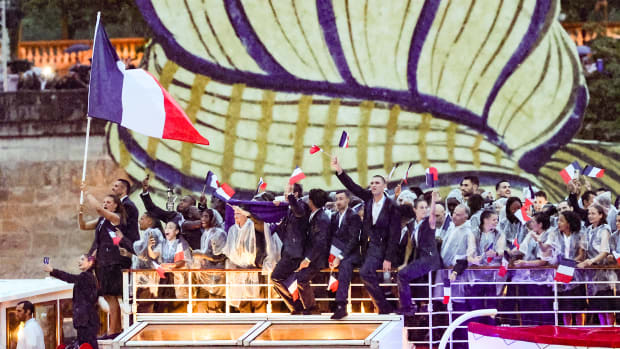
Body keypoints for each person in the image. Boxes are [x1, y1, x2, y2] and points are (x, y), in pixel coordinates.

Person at [331, 156, 401, 314]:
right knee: (346, 263)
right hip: (363, 247)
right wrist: (339, 170)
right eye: (372, 183)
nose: (374, 185)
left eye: (377, 183)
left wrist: (388, 258)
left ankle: (384, 307)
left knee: (365, 272)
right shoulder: (368, 198)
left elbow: (395, 234)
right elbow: (353, 187)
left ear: (384, 186)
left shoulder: (392, 206)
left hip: (380, 249)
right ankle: (341, 306)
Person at [79, 183, 125, 335]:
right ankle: (114, 329)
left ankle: (113, 330)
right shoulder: (100, 221)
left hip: (111, 262)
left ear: (116, 207)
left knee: (112, 297)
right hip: (102, 262)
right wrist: (80, 214)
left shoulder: (115, 218)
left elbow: (98, 209)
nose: (105, 204)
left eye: (108, 202)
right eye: (104, 202)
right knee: (106, 295)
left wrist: (87, 192)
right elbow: (83, 226)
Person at [397, 191, 441, 316]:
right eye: (421, 207)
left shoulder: (429, 222)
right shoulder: (411, 224)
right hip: (420, 258)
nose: (424, 210)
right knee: (403, 274)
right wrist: (405, 262)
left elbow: (432, 214)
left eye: (426, 208)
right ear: (414, 209)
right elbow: (410, 244)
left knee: (402, 275)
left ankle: (408, 306)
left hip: (430, 258)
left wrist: (433, 201)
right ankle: (411, 305)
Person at [540, 211, 586, 326]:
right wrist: (540, 241)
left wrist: (571, 263)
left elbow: (581, 254)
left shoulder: (580, 233)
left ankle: (580, 330)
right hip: (561, 270)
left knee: (578, 305)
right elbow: (546, 247)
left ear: (569, 223)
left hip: (575, 271)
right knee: (565, 305)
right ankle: (568, 329)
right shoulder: (554, 233)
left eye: (561, 221)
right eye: (558, 220)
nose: (558, 223)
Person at [43, 255, 99, 349]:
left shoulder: (86, 276)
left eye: (82, 259)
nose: (79, 262)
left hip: (85, 320)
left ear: (90, 262)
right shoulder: (91, 277)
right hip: (87, 319)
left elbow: (69, 277)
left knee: (87, 345)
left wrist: (52, 270)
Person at [288, 189, 330, 314]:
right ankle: (308, 307)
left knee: (301, 278)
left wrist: (308, 259)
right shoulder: (316, 214)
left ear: (311, 201)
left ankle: (312, 308)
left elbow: (320, 242)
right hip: (311, 256)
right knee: (300, 278)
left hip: (318, 258)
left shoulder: (322, 218)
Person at [271, 183, 309, 314]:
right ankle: (296, 305)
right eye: (285, 191)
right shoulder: (288, 209)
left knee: (276, 277)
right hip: (288, 252)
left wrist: (291, 199)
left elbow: (299, 213)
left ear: (296, 194)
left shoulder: (301, 205)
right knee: (279, 279)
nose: (285, 194)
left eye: (289, 192)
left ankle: (295, 306)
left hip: (295, 253)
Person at [512, 212, 554, 325]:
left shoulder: (550, 235)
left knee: (543, 308)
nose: (530, 223)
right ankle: (528, 332)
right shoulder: (531, 234)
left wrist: (525, 263)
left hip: (543, 279)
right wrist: (505, 252)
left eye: (533, 221)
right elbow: (522, 249)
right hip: (527, 277)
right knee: (527, 307)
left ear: (540, 224)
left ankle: (546, 334)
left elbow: (544, 261)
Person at [466, 210, 506, 325]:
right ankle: (476, 334)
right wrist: (474, 260)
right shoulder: (473, 233)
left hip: (492, 277)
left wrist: (496, 254)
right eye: (494, 220)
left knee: (491, 308)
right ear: (485, 220)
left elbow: (501, 250)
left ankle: (491, 335)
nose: (496, 222)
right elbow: (470, 252)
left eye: (497, 220)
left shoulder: (499, 233)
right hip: (476, 278)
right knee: (476, 308)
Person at [140, 175, 202, 249]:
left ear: (192, 206)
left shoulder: (199, 220)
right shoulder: (172, 216)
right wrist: (145, 191)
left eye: (184, 201)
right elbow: (152, 209)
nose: (181, 202)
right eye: (180, 200)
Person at [578, 204, 615, 326]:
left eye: (593, 213)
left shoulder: (605, 229)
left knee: (607, 306)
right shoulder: (587, 230)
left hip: (603, 273)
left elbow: (605, 251)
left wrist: (591, 261)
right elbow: (583, 250)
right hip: (591, 275)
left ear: (601, 215)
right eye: (589, 213)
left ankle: (611, 330)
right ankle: (603, 330)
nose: (590, 216)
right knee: (597, 305)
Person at [329, 190, 362, 320]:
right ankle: (332, 304)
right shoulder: (335, 216)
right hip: (337, 252)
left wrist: (340, 256)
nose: (338, 201)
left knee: (345, 265)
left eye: (341, 198)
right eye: (337, 199)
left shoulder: (353, 216)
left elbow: (354, 240)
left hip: (352, 254)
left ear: (348, 200)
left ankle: (341, 306)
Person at [224, 206, 263, 312]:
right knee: (241, 301)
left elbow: (258, 247)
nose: (235, 216)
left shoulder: (253, 227)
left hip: (253, 268)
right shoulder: (232, 229)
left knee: (258, 300)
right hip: (237, 270)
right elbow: (229, 249)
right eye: (235, 214)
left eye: (238, 213)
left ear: (245, 214)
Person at [129, 212, 164, 313]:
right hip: (144, 278)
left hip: (147, 279)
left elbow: (147, 256)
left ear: (149, 221)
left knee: (145, 308)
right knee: (141, 307)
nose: (139, 221)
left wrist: (123, 239)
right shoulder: (150, 233)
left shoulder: (152, 232)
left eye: (142, 218)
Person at [193, 209, 227, 313]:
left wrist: (201, 255)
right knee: (201, 308)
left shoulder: (219, 233)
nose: (202, 219)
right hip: (204, 278)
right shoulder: (205, 234)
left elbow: (220, 256)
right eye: (202, 216)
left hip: (217, 278)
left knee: (215, 309)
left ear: (213, 218)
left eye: (206, 216)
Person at [157, 221, 192, 313]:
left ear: (177, 231)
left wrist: (171, 265)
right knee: (163, 304)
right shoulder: (163, 244)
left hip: (178, 279)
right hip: (165, 278)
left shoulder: (182, 244)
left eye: (170, 227)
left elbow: (184, 261)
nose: (167, 229)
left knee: (178, 306)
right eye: (166, 227)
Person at [111, 179, 140, 269]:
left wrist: (116, 245)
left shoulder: (127, 205)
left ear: (124, 189)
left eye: (116, 186)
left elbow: (120, 228)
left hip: (127, 247)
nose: (113, 189)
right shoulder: (122, 205)